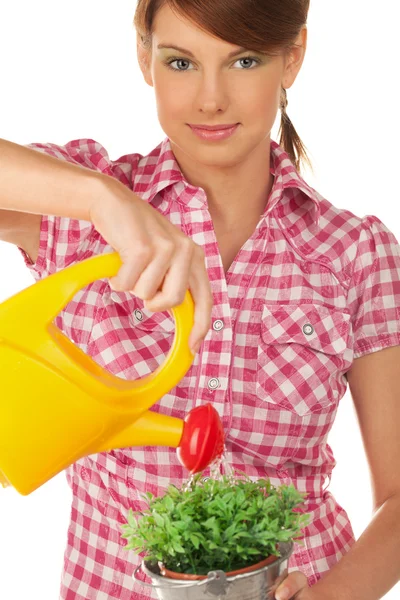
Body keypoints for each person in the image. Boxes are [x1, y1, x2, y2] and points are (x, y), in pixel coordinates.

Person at [1, 0, 400, 599]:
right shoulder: (79, 214)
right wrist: (102, 199)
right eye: (181, 62)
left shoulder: (355, 253)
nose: (210, 99)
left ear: (292, 58)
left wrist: (332, 596)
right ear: (144, 57)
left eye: (243, 60)